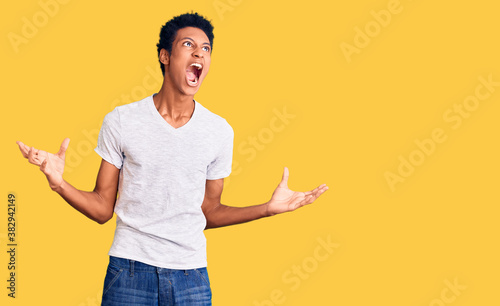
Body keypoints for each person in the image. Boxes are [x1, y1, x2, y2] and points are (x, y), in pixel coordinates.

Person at [16, 12, 329, 306]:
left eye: (206, 48)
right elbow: (101, 209)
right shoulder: (122, 120)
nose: (199, 54)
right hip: (129, 273)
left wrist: (267, 209)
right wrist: (59, 184)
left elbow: (209, 212)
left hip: (191, 277)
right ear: (165, 56)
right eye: (188, 45)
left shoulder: (219, 131)